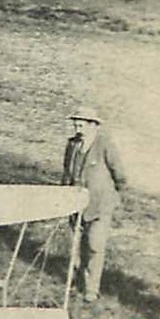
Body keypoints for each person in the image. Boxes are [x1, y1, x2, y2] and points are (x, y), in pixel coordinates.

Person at [61, 107, 128, 302]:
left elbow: (120, 175)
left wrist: (113, 197)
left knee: (94, 245)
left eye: (81, 124)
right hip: (75, 203)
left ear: (93, 125)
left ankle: (91, 289)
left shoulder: (105, 145)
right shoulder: (72, 145)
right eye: (75, 123)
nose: (77, 127)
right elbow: (66, 171)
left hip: (99, 206)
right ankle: (74, 281)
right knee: (75, 244)